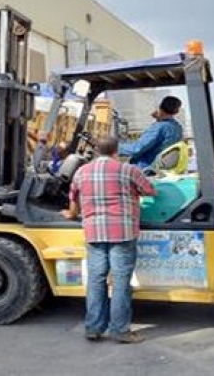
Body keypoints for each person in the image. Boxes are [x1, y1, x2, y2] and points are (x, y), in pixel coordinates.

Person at [62, 136, 156, 344]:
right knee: (121, 282)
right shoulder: (128, 170)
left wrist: (70, 213)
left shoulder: (81, 172)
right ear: (117, 150)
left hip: (94, 232)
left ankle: (93, 328)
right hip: (122, 232)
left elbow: (73, 202)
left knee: (96, 280)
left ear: (96, 151)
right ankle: (120, 330)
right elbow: (150, 190)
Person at [120, 96, 183, 169]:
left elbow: (137, 149)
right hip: (163, 168)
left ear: (160, 107)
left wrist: (114, 147)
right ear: (176, 112)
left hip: (146, 168)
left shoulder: (158, 127)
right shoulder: (177, 127)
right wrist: (159, 118)